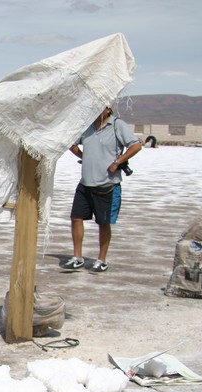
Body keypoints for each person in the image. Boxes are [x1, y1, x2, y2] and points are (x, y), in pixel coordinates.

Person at [62, 105, 142, 273]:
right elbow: (70, 143)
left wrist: (117, 162)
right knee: (76, 218)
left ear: (108, 109)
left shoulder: (117, 125)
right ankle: (77, 257)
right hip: (85, 183)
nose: (97, 110)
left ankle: (101, 259)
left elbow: (136, 146)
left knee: (103, 223)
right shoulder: (87, 127)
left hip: (107, 185)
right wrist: (83, 156)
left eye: (101, 107)